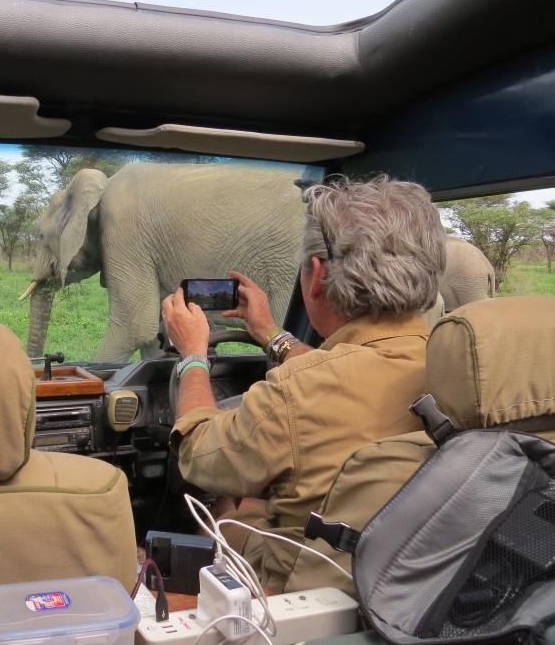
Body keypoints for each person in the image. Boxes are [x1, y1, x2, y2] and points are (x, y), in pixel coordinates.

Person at [161, 175, 447, 593]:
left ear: (318, 276)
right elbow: (357, 366)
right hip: (419, 576)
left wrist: (192, 355)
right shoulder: (455, 366)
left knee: (229, 508)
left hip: (313, 592)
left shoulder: (297, 391)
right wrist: (270, 334)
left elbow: (198, 454)